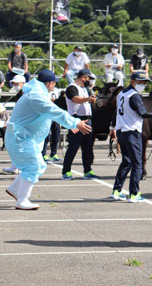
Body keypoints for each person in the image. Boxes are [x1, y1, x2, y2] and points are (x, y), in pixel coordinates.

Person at [4, 69, 91, 210]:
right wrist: (75, 122)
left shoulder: (37, 93)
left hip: (25, 138)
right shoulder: (36, 96)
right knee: (33, 167)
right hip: (20, 138)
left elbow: (51, 113)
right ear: (50, 83)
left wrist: (69, 124)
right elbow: (53, 110)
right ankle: (22, 199)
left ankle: (15, 188)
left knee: (40, 166)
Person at [110, 72, 152, 202]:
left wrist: (112, 128)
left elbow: (116, 113)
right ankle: (134, 193)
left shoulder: (122, 94)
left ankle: (117, 190)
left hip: (122, 131)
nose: (143, 84)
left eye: (144, 82)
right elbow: (142, 113)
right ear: (133, 81)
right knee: (137, 163)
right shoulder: (134, 96)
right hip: (132, 132)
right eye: (140, 82)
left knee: (126, 161)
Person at [61, 69, 98, 180]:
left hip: (87, 119)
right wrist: (88, 99)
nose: (89, 81)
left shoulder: (84, 89)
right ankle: (66, 171)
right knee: (73, 146)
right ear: (83, 77)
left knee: (87, 147)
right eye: (88, 78)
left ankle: (87, 170)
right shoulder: (72, 87)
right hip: (76, 120)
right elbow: (75, 99)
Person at [42, 87, 62, 162]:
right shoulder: (44, 90)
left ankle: (53, 153)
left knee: (56, 135)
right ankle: (43, 154)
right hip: (47, 115)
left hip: (55, 115)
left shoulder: (57, 90)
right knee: (46, 136)